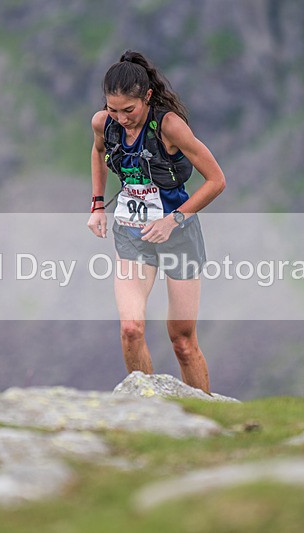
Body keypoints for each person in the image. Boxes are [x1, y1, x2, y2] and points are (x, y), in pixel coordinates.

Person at [87, 50, 226, 393]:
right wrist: (97, 204)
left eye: (129, 110)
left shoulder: (169, 126)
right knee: (131, 329)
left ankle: (202, 414)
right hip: (132, 235)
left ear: (147, 97)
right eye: (113, 109)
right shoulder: (103, 123)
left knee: (182, 341)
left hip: (178, 236)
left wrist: (173, 220)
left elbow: (216, 180)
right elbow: (98, 151)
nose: (121, 118)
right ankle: (148, 407)